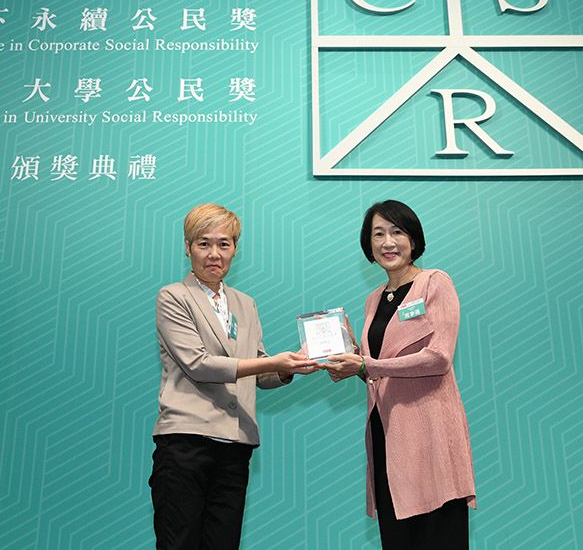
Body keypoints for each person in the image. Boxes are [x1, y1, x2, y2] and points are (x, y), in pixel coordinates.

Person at [150, 203, 316, 550]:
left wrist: (286, 367)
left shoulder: (245, 303)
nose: (214, 254)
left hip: (235, 446)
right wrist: (268, 363)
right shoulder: (173, 296)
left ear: (235, 249)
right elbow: (199, 364)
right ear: (187, 247)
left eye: (224, 244)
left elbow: (258, 369)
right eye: (204, 243)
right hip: (186, 442)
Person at [322, 200, 476, 549]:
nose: (387, 242)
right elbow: (379, 372)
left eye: (397, 232)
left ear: (413, 239)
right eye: (378, 234)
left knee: (438, 539)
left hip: (430, 437)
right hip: (387, 435)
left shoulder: (435, 283)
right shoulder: (373, 299)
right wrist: (352, 358)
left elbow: (438, 358)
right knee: (397, 540)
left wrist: (367, 365)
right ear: (368, 244)